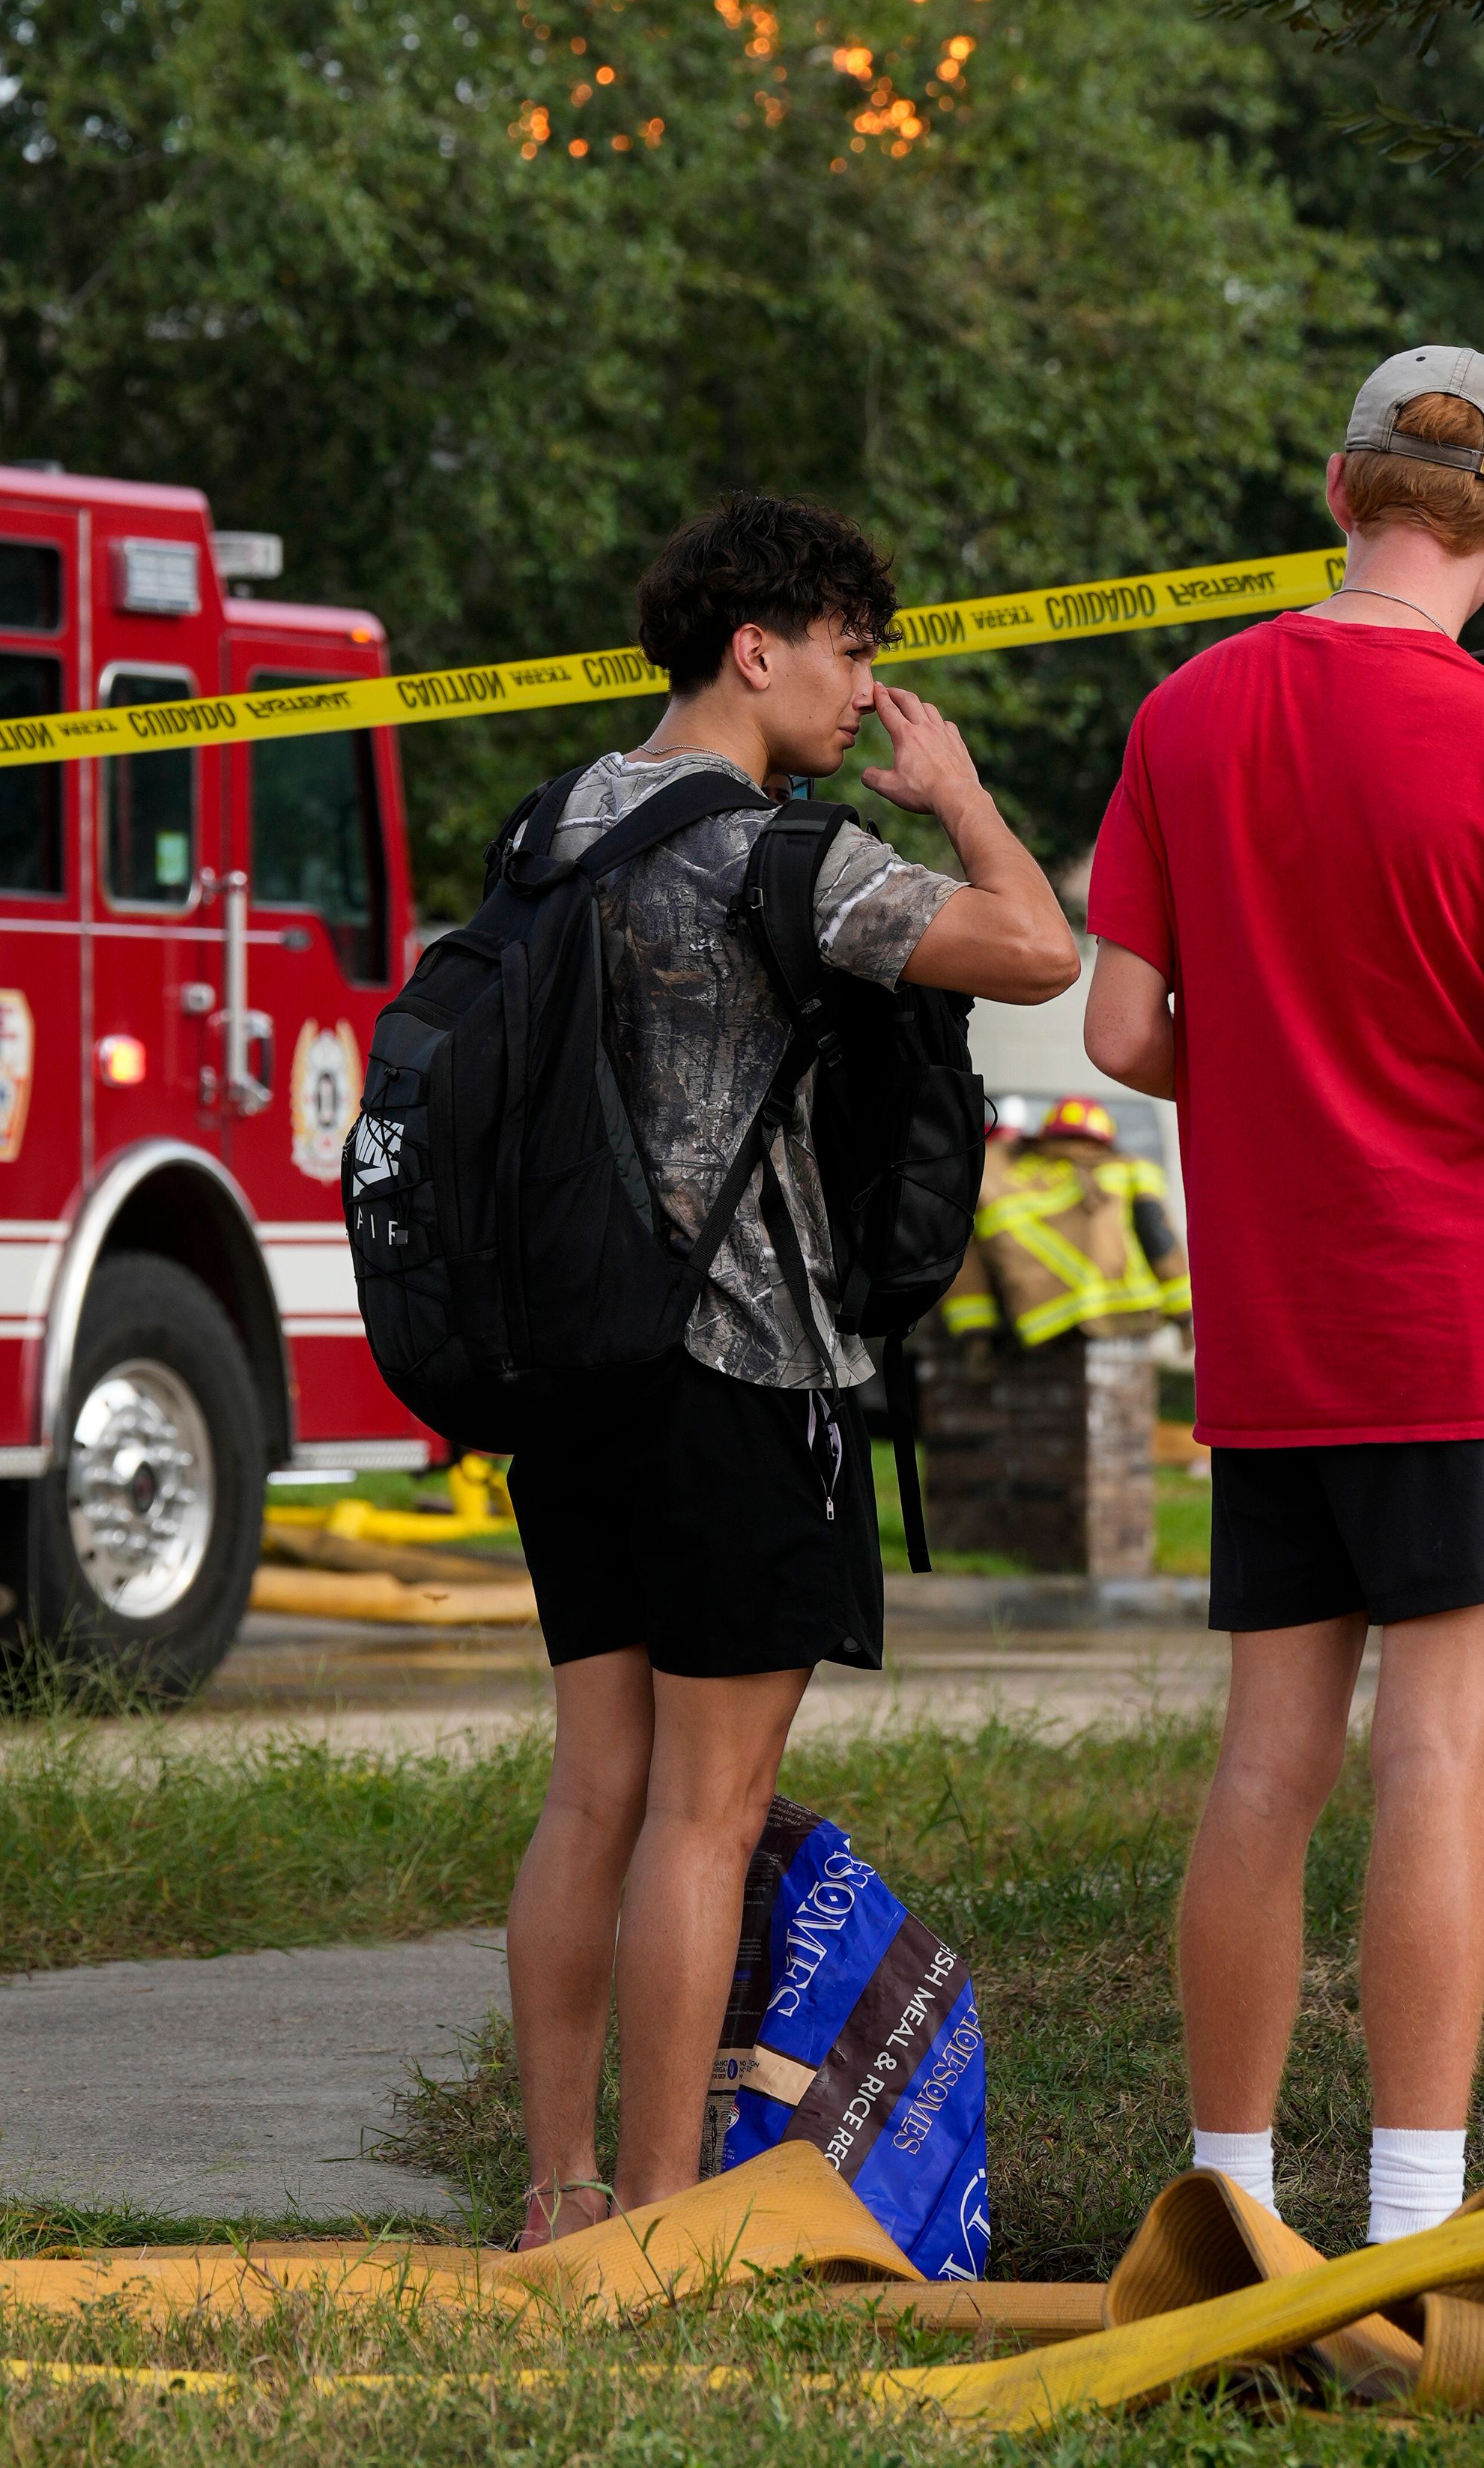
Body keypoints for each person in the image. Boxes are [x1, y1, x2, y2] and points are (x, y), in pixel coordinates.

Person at [1082, 348, 1484, 2248]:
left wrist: (1276, 1069)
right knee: (1439, 1763)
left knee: (1268, 1761)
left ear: (1339, 496)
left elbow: (1119, 1027)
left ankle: (1224, 2201)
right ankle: (1414, 2224)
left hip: (1281, 1326)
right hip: (1477, 1325)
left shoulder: (1187, 711)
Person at [502, 489, 1076, 2246]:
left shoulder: (553, 825)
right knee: (707, 1809)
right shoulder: (786, 854)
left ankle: (560, 2194)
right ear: (757, 649)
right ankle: (662, 2223)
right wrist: (961, 797)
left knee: (592, 1789)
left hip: (566, 1371)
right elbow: (1042, 950)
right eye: (850, 653)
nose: (863, 691)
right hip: (740, 1375)